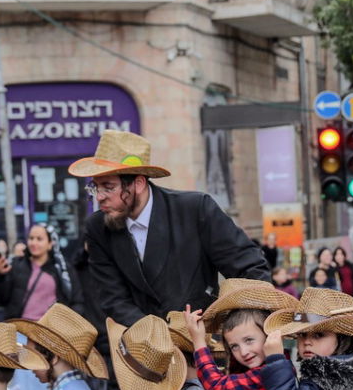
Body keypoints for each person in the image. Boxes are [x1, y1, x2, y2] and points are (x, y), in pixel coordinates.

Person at [70, 131, 270, 327]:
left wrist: (244, 325)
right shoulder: (97, 227)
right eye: (95, 187)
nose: (99, 197)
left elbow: (249, 268)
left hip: (202, 341)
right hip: (144, 346)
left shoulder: (195, 208)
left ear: (138, 183)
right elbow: (112, 298)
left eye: (108, 187)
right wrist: (155, 336)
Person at [0, 223, 82, 320]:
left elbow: (77, 300)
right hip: (20, 329)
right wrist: (0, 276)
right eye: (31, 238)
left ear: (50, 244)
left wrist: (66, 324)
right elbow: (0, 300)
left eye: (39, 239)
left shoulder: (62, 269)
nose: (34, 243)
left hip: (51, 331)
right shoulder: (15, 265)